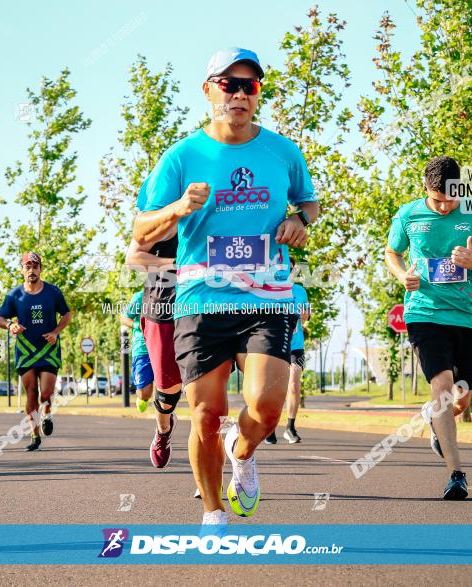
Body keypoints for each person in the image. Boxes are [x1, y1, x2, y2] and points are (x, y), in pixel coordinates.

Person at [132, 48, 320, 525]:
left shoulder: (283, 151)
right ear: (208, 90)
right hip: (201, 297)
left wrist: (300, 220)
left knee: (267, 406)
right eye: (227, 84)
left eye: (248, 86)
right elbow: (140, 231)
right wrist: (176, 209)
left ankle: (244, 449)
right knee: (207, 414)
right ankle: (213, 513)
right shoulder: (181, 157)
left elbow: (309, 203)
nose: (238, 94)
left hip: (267, 295)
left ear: (257, 94)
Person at [385, 155, 472, 500]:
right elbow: (392, 252)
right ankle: (456, 475)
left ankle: (434, 417)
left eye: (450, 199)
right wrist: (402, 275)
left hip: (467, 317)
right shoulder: (408, 214)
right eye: (436, 199)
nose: (443, 206)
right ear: (425, 188)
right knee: (440, 384)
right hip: (424, 314)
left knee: (460, 398)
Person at [0, 253, 71, 452]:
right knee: (31, 393)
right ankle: (35, 434)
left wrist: (56, 332)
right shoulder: (14, 295)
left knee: (45, 393)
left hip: (48, 348)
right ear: (22, 270)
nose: (31, 270)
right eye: (27, 266)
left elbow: (67, 314)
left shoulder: (53, 292)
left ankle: (47, 414)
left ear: (40, 269)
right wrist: (10, 325)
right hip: (26, 350)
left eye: (35, 266)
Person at [125, 215, 181, 469]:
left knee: (207, 400)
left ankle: (211, 481)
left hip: (207, 306)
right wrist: (179, 265)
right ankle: (163, 429)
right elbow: (134, 257)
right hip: (162, 310)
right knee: (163, 393)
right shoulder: (164, 201)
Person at [266, 260, 310, 444]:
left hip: (296, 345)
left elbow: (306, 316)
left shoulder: (299, 291)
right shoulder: (267, 289)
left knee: (294, 383)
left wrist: (300, 313)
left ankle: (290, 427)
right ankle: (269, 427)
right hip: (274, 344)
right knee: (272, 387)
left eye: (291, 269)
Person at [119, 290, 153, 413]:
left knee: (165, 389)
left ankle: (164, 419)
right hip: (142, 348)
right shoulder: (140, 296)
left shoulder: (173, 293)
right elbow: (124, 318)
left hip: (164, 346)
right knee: (145, 393)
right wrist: (138, 325)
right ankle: (143, 398)